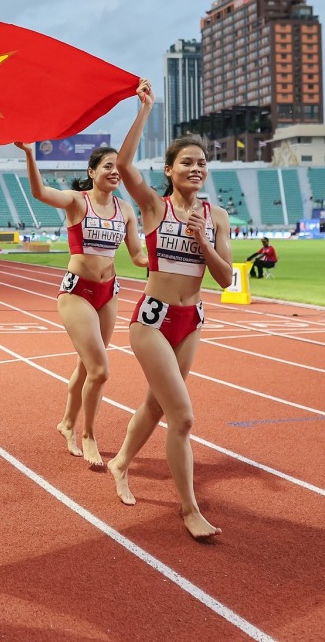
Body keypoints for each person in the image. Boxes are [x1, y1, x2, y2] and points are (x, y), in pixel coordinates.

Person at [107, 81, 232, 540]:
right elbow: (123, 164)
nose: (196, 168)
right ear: (169, 169)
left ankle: (121, 461)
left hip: (191, 320)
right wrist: (145, 110)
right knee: (183, 417)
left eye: (202, 163)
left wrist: (202, 239)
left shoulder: (216, 217)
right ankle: (189, 509)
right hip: (153, 321)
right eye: (187, 162)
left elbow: (224, 278)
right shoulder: (154, 207)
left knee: (156, 406)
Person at [19, 137, 147, 466]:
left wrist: (169, 257)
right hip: (77, 292)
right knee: (100, 370)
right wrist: (31, 155)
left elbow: (137, 255)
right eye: (108, 166)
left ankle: (66, 423)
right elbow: (40, 193)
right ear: (92, 172)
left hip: (108, 294)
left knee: (86, 366)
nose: (115, 171)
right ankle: (88, 434)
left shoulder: (126, 209)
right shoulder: (78, 201)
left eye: (119, 167)